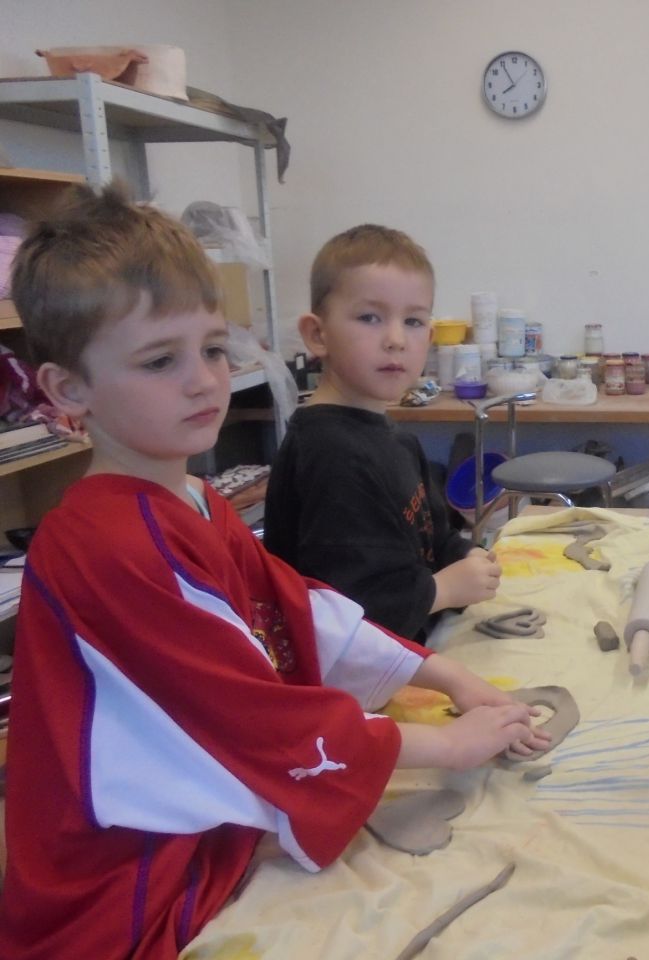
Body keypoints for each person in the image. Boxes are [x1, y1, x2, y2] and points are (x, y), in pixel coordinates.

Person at [0, 187, 548, 960]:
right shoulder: (105, 546)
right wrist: (447, 747)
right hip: (125, 880)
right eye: (160, 360)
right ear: (68, 392)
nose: (204, 380)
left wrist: (442, 674)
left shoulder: (193, 499)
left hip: (199, 825)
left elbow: (296, 609)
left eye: (213, 349)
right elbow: (251, 716)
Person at [264, 224, 499, 643]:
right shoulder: (331, 455)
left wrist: (464, 554)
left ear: (430, 339)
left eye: (413, 321)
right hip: (361, 673)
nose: (395, 340)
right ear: (318, 334)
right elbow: (349, 609)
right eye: (370, 317)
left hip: (412, 646)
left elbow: (432, 537)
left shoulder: (395, 438)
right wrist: (443, 589)